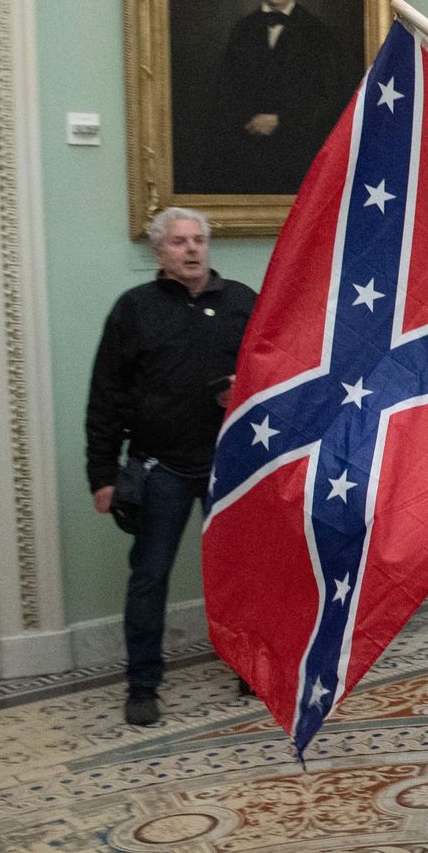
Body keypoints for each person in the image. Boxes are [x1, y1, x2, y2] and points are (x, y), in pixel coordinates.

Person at [86, 208, 255, 725]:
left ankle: (252, 667)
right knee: (150, 575)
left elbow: (274, 373)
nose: (192, 249)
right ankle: (142, 684)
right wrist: (103, 474)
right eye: (179, 242)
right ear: (159, 252)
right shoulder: (134, 309)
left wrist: (241, 391)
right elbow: (106, 394)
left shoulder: (242, 302)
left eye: (199, 239)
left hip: (231, 462)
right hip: (160, 466)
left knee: (241, 571)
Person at [217, 0, 351, 195]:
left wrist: (282, 121)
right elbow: (225, 92)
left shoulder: (317, 34)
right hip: (246, 157)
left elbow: (330, 99)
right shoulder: (242, 30)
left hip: (296, 157)